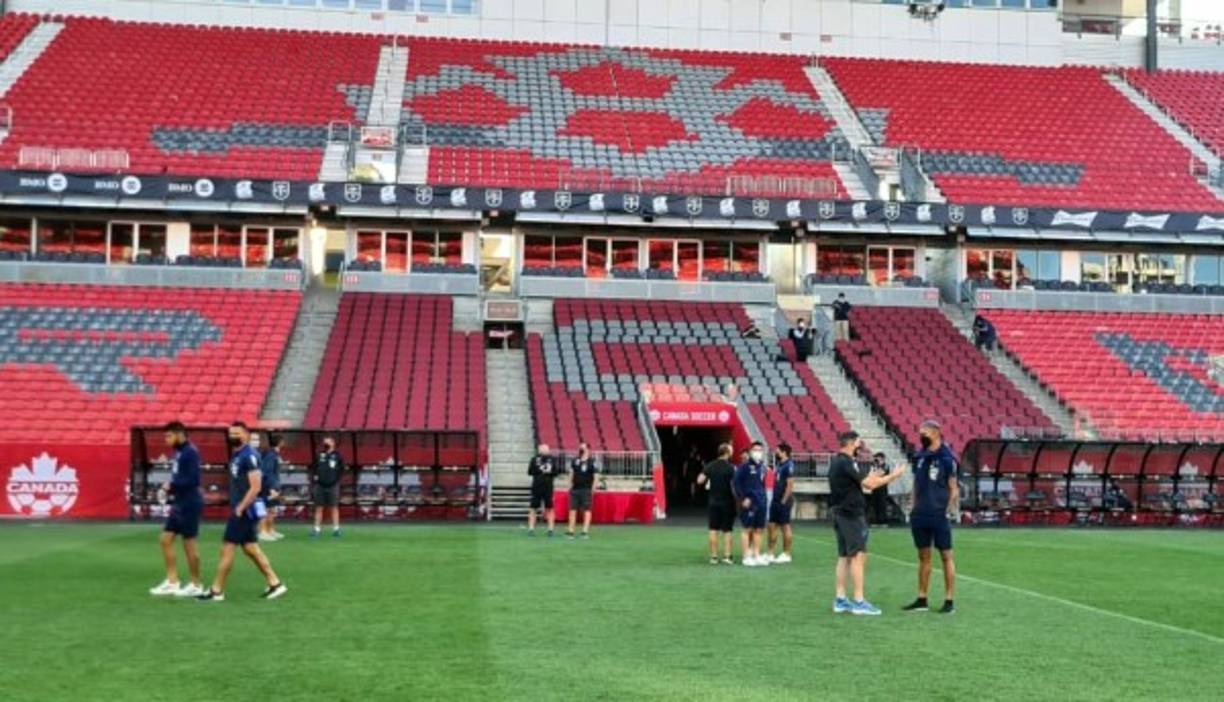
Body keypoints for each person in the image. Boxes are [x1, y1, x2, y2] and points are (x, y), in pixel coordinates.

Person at [197, 421, 286, 601]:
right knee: (250, 548)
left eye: (237, 433)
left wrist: (240, 507)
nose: (233, 437)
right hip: (242, 508)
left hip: (244, 511)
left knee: (227, 548)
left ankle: (216, 591)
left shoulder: (249, 455)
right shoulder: (237, 455)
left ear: (246, 435)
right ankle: (275, 583)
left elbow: (255, 487)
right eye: (231, 433)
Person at [829, 431, 906, 615]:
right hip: (851, 514)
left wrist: (874, 476)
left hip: (841, 513)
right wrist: (894, 476)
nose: (860, 445)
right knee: (857, 556)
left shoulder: (838, 461)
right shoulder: (846, 462)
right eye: (858, 442)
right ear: (851, 443)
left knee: (844, 556)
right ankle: (859, 601)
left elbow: (864, 482)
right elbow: (870, 485)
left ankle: (841, 599)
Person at [902, 420, 959, 615]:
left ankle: (949, 601)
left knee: (946, 556)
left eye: (924, 432)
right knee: (923, 556)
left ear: (936, 433)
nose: (921, 436)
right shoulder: (919, 456)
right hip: (920, 515)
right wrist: (912, 505)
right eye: (920, 433)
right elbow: (916, 484)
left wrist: (947, 509)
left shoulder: (947, 458)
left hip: (938, 514)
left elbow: (953, 488)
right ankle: (922, 599)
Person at [149, 421, 205, 597]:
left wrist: (170, 485)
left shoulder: (190, 452)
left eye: (169, 436)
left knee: (189, 544)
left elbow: (194, 480)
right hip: (179, 503)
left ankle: (196, 584)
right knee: (165, 539)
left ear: (180, 435)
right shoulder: (179, 452)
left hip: (190, 503)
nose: (166, 439)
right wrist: (171, 485)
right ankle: (172, 581)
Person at [696, 442, 737, 565]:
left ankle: (713, 557)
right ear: (727, 453)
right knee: (727, 530)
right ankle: (727, 556)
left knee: (713, 529)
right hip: (727, 501)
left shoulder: (710, 465)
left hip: (713, 501)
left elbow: (699, 480)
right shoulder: (731, 468)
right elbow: (735, 485)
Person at [732, 441, 769, 567]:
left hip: (761, 502)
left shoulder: (762, 467)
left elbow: (761, 484)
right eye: (755, 450)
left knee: (759, 529)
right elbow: (736, 483)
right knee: (747, 529)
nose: (758, 452)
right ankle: (746, 556)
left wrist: (764, 498)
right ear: (750, 452)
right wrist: (743, 498)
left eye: (760, 450)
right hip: (749, 502)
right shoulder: (744, 466)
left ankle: (756, 554)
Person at [766, 443, 796, 564]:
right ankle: (770, 553)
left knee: (785, 526)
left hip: (783, 501)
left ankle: (786, 553)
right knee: (771, 525)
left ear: (784, 452)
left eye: (777, 451)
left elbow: (790, 485)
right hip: (775, 499)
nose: (776, 453)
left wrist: (784, 500)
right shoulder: (779, 464)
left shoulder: (789, 465)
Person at [311, 436, 344, 538]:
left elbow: (341, 469)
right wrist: (315, 477)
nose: (325, 444)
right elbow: (314, 467)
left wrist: (335, 480)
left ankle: (336, 530)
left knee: (334, 507)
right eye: (324, 442)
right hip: (320, 485)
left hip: (333, 485)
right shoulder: (319, 454)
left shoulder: (337, 455)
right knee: (319, 508)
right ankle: (316, 530)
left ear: (333, 443)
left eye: (328, 442)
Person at [527, 444, 561, 536]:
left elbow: (556, 472)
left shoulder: (552, 459)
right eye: (543, 449)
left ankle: (550, 529)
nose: (545, 451)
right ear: (539, 450)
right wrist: (539, 471)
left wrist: (548, 472)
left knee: (549, 507)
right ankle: (531, 529)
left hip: (548, 487)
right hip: (537, 487)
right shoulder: (534, 459)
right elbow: (530, 471)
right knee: (533, 508)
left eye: (546, 449)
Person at [567, 443, 598, 539]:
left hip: (586, 489)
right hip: (575, 489)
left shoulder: (592, 462)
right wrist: (569, 485)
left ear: (588, 449)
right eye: (580, 447)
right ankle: (571, 531)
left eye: (583, 447)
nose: (580, 449)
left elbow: (596, 477)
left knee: (586, 510)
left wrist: (593, 489)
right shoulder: (575, 460)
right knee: (572, 510)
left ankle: (584, 531)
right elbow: (571, 473)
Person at [258, 433, 285, 542]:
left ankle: (270, 530)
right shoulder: (270, 454)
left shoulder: (275, 454)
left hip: (274, 485)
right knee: (265, 508)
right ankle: (262, 531)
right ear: (280, 442)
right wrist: (271, 487)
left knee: (272, 509)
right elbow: (267, 472)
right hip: (268, 486)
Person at [868, 452, 893, 525]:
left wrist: (878, 466)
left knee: (882, 504)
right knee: (875, 504)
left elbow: (881, 473)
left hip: (882, 488)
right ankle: (876, 520)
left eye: (878, 459)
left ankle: (883, 520)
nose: (876, 460)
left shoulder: (886, 465)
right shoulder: (874, 466)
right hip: (875, 488)